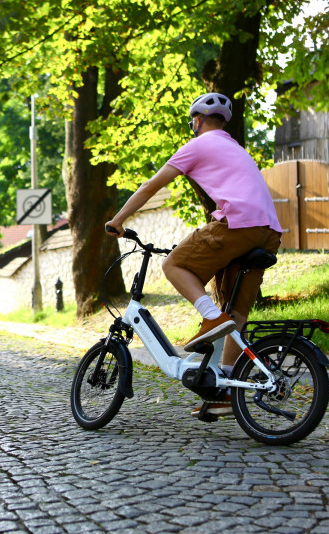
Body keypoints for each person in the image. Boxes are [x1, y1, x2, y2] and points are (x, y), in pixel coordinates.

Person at [104, 92, 282, 417]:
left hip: (238, 223)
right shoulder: (235, 147)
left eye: (193, 123)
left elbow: (150, 187)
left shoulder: (198, 145)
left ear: (197, 121)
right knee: (235, 312)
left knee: (174, 264)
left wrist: (118, 220)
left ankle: (210, 317)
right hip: (269, 232)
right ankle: (226, 390)